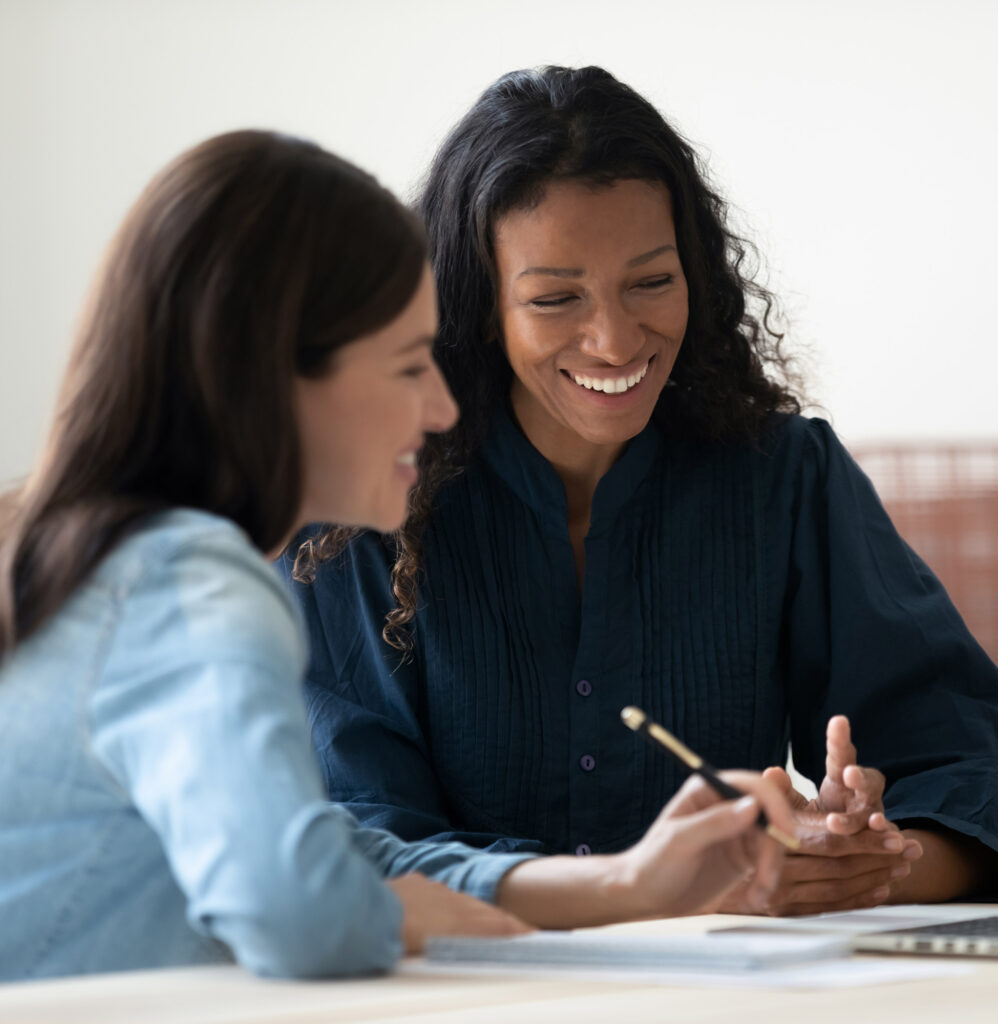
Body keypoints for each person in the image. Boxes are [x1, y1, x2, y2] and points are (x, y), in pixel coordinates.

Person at [0, 129, 792, 982]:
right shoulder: (191, 581)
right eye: (411, 363)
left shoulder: (103, 566)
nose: (446, 407)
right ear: (276, 375)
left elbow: (325, 859)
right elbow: (301, 908)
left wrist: (627, 882)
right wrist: (386, 914)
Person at [281, 66, 998, 917]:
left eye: (652, 282)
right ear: (479, 305)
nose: (615, 339)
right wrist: (647, 893)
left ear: (695, 275)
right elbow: (348, 843)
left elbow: (984, 773)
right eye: (556, 297)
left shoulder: (785, 477)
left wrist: (860, 863)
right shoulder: (362, 509)